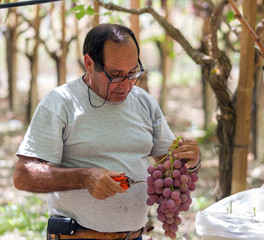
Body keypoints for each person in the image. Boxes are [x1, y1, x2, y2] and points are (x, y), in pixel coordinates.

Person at [13, 23, 201, 240]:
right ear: (89, 63)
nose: (126, 85)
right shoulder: (61, 104)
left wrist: (192, 159)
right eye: (116, 75)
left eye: (133, 73)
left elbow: (170, 165)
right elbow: (23, 175)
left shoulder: (144, 103)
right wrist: (83, 177)